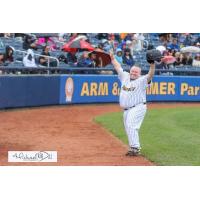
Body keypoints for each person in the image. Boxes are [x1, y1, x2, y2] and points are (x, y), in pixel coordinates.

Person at [110, 50, 156, 156]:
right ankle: (133, 147)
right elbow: (118, 67)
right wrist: (112, 59)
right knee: (128, 128)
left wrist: (152, 65)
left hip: (138, 107)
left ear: (139, 74)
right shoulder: (125, 76)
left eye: (136, 72)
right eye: (133, 71)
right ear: (130, 71)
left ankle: (135, 147)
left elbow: (150, 75)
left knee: (131, 125)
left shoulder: (142, 80)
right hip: (127, 109)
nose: (134, 73)